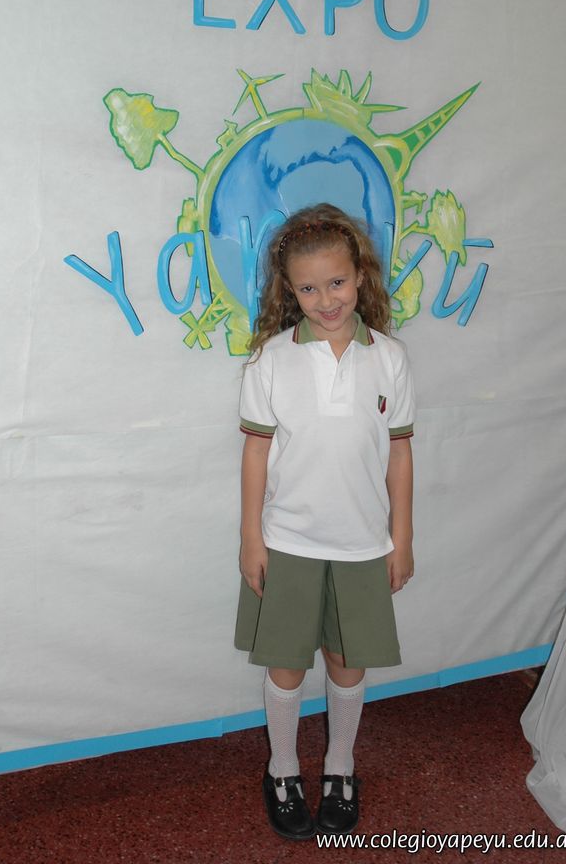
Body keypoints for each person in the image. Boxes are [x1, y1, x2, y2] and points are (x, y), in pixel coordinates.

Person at [234, 202, 415, 841]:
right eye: (308, 288)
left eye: (337, 282)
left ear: (360, 276)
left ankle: (340, 765)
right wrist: (251, 537)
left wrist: (402, 537)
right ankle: (282, 769)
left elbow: (399, 453)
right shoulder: (270, 360)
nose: (326, 299)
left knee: (347, 661)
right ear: (290, 291)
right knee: (285, 663)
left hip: (363, 543)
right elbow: (256, 453)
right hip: (288, 541)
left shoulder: (390, 358)